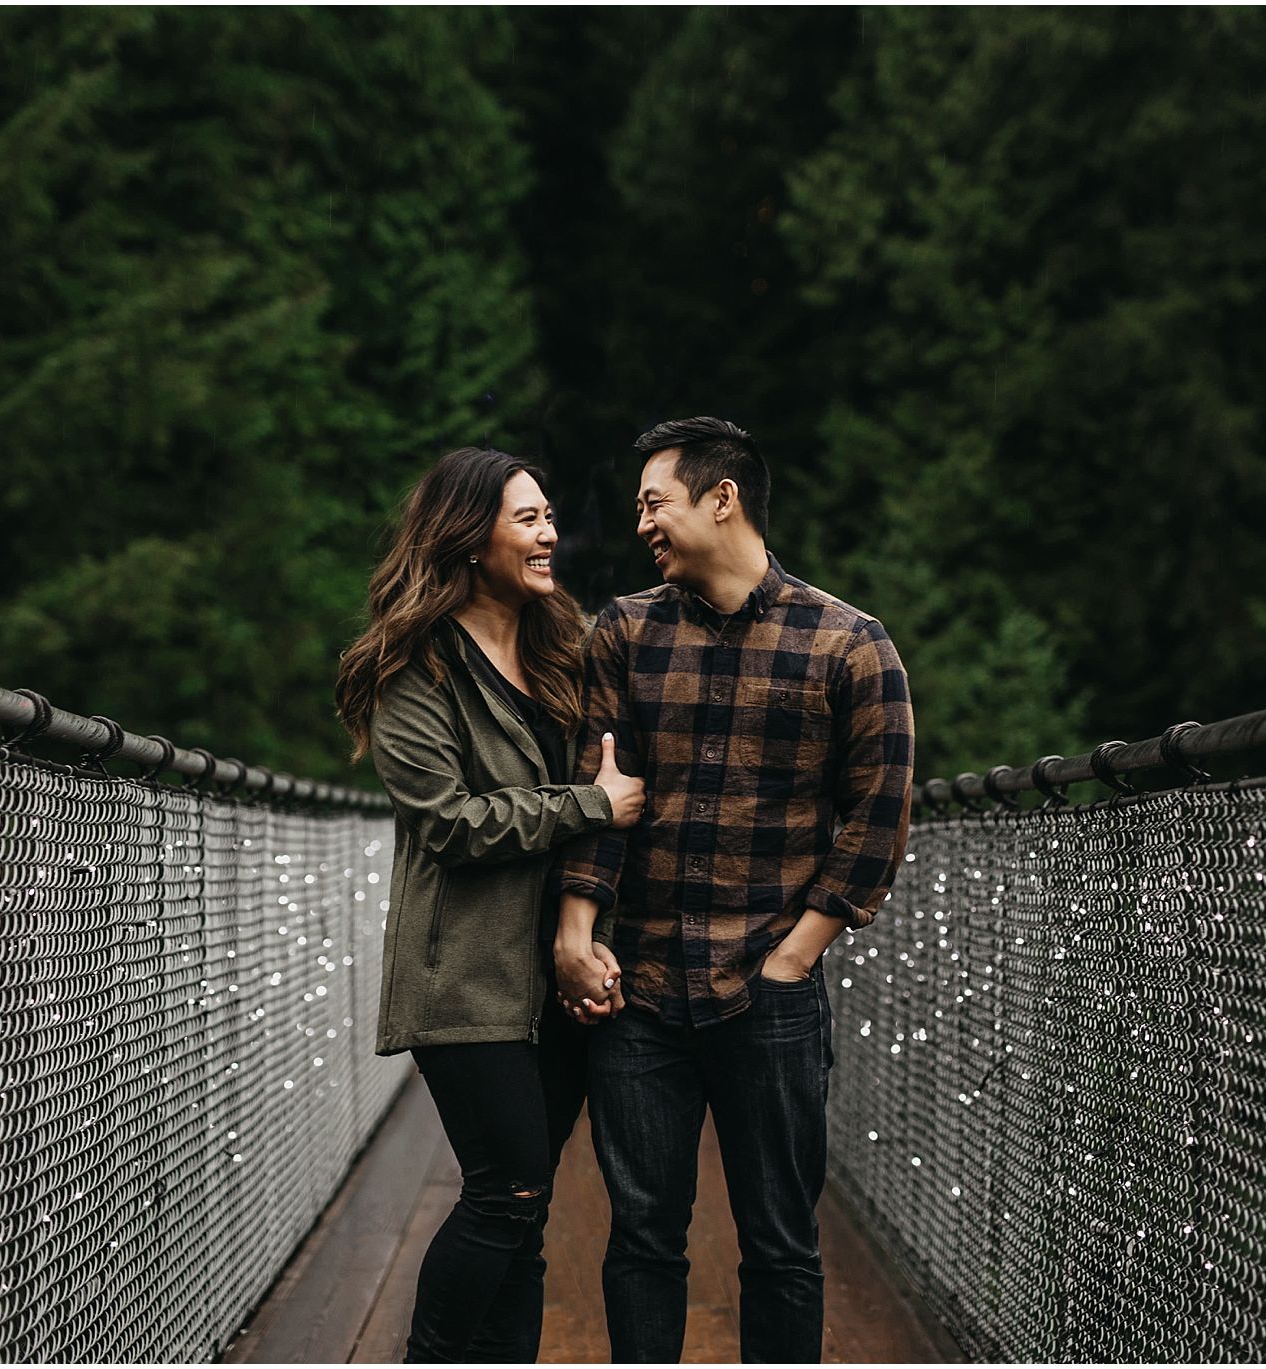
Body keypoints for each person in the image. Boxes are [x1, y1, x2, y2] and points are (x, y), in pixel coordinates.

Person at [552, 416, 915, 1364]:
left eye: (655, 503)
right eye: (636, 507)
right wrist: (576, 929)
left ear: (724, 498)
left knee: (782, 1246)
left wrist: (794, 960)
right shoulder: (624, 633)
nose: (642, 525)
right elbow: (594, 797)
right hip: (639, 988)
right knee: (641, 1239)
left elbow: (878, 817)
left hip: (770, 994)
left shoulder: (851, 646)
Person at [335, 446, 646, 1363]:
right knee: (504, 1190)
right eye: (528, 519)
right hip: (463, 982)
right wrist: (592, 804)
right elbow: (451, 823)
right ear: (470, 537)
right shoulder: (410, 668)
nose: (550, 535)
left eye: (551, 516)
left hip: (550, 975)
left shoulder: (564, 647)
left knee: (526, 1213)